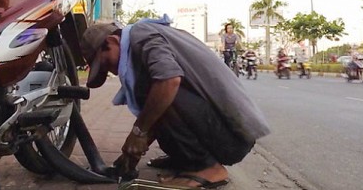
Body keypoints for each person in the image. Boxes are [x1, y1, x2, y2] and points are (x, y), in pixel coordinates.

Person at [80, 18, 270, 188]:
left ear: (112, 41)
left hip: (232, 136)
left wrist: (139, 132)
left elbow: (169, 81)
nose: (113, 71)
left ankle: (207, 168)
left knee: (160, 89)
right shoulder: (140, 41)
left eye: (106, 64)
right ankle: (185, 160)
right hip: (222, 131)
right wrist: (135, 149)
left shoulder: (143, 36)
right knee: (151, 101)